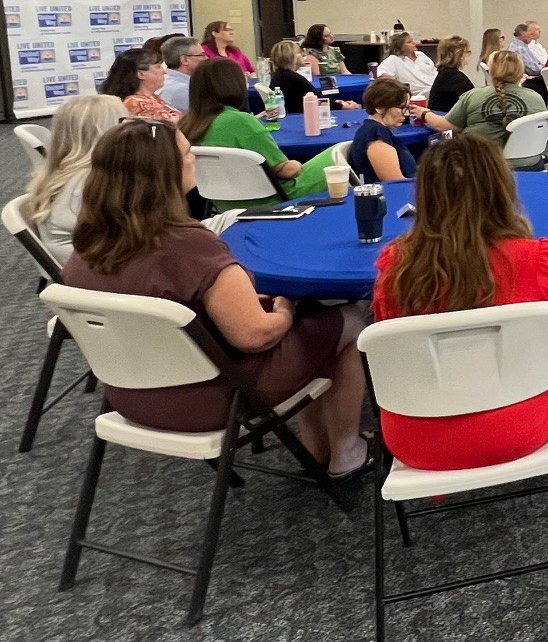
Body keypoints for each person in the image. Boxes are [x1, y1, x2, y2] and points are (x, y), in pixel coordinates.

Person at [60, 119, 368, 477]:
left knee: (311, 321)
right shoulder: (190, 247)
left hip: (128, 397)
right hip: (214, 399)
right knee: (347, 320)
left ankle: (315, 445)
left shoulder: (82, 252)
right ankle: (346, 452)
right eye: (188, 154)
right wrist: (285, 308)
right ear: (165, 174)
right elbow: (255, 336)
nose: (194, 160)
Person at [371, 134, 548, 471]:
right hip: (521, 428)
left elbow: (386, 343)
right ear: (501, 190)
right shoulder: (537, 259)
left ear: (426, 197)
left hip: (417, 439)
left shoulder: (396, 266)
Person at [181, 59, 334, 211]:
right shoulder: (240, 121)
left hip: (223, 204)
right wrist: (297, 164)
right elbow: (287, 171)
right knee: (340, 152)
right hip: (278, 198)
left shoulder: (186, 126)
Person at [22, 94, 125, 258]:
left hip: (92, 262)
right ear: (107, 132)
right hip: (95, 270)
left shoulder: (69, 174)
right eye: (123, 122)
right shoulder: (89, 183)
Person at [422, 51, 545, 167]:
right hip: (528, 164)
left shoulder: (472, 96)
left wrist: (424, 113)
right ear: (520, 72)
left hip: (482, 165)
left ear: (491, 70)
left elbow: (444, 126)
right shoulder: (536, 98)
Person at [351, 77, 421, 183]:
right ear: (380, 108)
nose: (406, 114)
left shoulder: (373, 131)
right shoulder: (376, 136)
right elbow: (396, 183)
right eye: (402, 108)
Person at [269, 40, 359, 113]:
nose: (304, 55)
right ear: (293, 57)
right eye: (300, 52)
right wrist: (343, 106)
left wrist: (338, 103)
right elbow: (317, 101)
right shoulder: (293, 78)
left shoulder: (279, 76)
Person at [102, 47, 181, 123]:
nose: (164, 71)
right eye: (158, 67)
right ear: (141, 74)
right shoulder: (134, 103)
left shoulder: (153, 97)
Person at [375, 31, 437, 101]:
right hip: (420, 94)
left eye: (412, 40)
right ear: (401, 46)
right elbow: (381, 73)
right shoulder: (394, 60)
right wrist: (394, 80)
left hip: (435, 87)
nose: (414, 43)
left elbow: (434, 70)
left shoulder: (421, 55)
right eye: (409, 42)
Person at [427, 35, 475, 113]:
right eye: (467, 52)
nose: (468, 55)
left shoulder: (445, 74)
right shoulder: (455, 79)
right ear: (459, 54)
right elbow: (472, 104)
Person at [159, 35, 203, 114]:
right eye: (201, 55)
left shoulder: (164, 80)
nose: (206, 58)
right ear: (184, 60)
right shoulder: (184, 89)